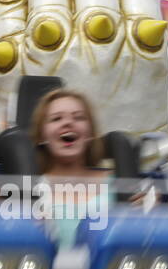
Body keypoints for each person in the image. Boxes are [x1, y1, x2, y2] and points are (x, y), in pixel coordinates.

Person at [26, 89, 114, 246]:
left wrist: (148, 210)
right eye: (56, 119)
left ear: (90, 133)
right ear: (41, 135)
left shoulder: (119, 181)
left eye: (78, 117)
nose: (68, 123)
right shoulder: (26, 186)